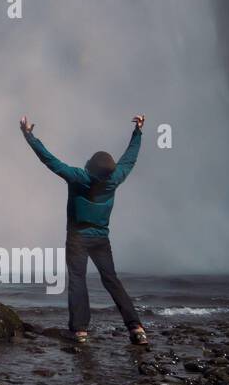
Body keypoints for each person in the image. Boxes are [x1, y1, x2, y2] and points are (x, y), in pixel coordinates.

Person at [19, 113, 148, 346]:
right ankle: (136, 328)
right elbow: (130, 159)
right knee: (112, 280)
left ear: (91, 166)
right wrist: (138, 132)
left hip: (78, 238)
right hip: (101, 239)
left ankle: (80, 331)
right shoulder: (114, 178)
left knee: (78, 280)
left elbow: (50, 161)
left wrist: (29, 136)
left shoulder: (79, 177)